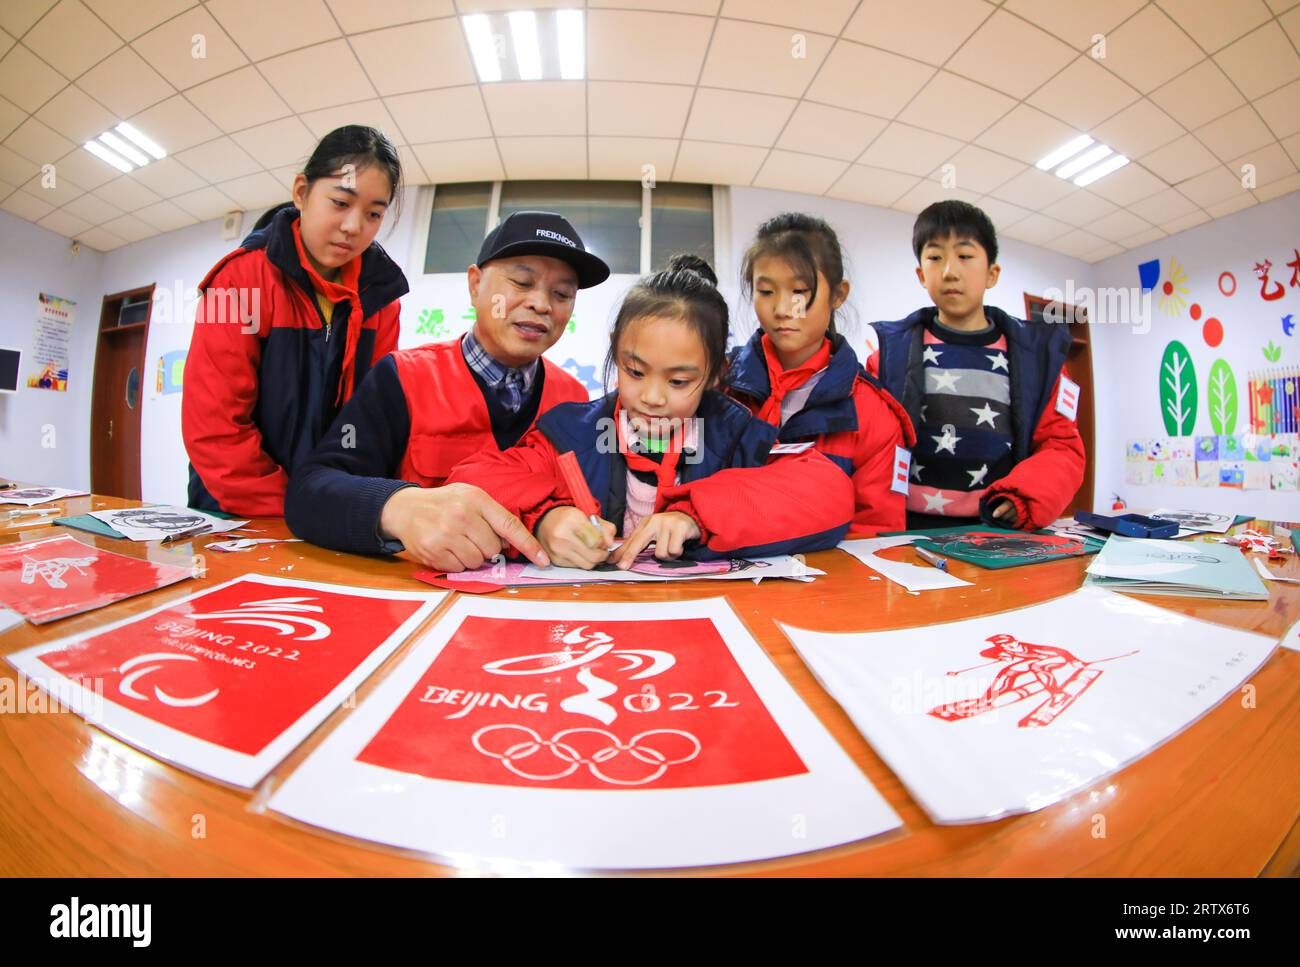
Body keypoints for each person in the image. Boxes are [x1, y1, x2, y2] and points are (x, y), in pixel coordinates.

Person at [445, 254, 854, 570]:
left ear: (715, 373)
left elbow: (829, 491)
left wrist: (696, 517)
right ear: (615, 350)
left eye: (678, 381)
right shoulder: (573, 434)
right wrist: (543, 519)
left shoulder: (740, 437)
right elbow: (471, 478)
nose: (653, 397)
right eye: (635, 371)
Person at [285, 211, 609, 572]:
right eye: (521, 281)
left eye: (562, 293)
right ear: (475, 284)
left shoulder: (575, 400)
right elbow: (311, 489)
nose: (541, 303)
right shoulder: (403, 377)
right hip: (414, 604)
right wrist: (397, 508)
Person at [183, 125, 407, 517]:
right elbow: (214, 427)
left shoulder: (382, 300)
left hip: (329, 505)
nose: (355, 227)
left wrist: (355, 498)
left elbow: (371, 417)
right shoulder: (234, 282)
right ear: (301, 192)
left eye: (373, 214)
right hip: (234, 509)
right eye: (340, 203)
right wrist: (294, 507)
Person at [868, 200, 1084, 531]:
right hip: (904, 530)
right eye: (935, 257)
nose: (949, 271)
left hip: (997, 527)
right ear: (921, 275)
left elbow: (1061, 447)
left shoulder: (1038, 359)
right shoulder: (886, 356)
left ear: (992, 274)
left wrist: (1023, 497)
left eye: (965, 256)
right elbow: (867, 449)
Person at [725, 213, 915, 535]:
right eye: (767, 292)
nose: (783, 309)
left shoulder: (873, 413)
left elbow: (876, 536)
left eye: (799, 291)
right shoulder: (719, 385)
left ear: (838, 295)